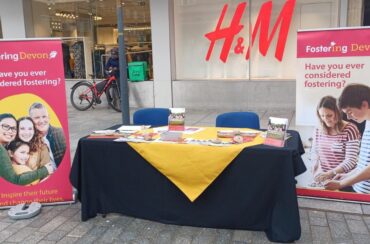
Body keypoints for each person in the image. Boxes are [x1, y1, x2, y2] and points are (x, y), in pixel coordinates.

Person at [325, 84, 370, 193]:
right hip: (360, 191)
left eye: (350, 112)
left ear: (364, 104)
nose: (349, 117)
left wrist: (342, 183)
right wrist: (346, 176)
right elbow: (364, 164)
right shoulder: (367, 122)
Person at [311, 96, 360, 185]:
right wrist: (316, 170)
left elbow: (351, 160)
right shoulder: (318, 129)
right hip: (325, 179)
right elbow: (315, 153)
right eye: (322, 115)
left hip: (345, 180)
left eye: (329, 115)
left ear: (338, 112)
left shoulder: (350, 129)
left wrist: (331, 173)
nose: (325, 119)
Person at [0, 113, 53, 185]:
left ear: (34, 131)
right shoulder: (8, 145)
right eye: (22, 128)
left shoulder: (42, 147)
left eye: (30, 128)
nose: (26, 132)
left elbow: (48, 171)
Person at [29, 103, 66, 168]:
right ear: (31, 120)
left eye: (44, 116)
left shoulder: (61, 133)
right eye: (37, 118)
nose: (41, 121)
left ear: (48, 117)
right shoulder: (29, 139)